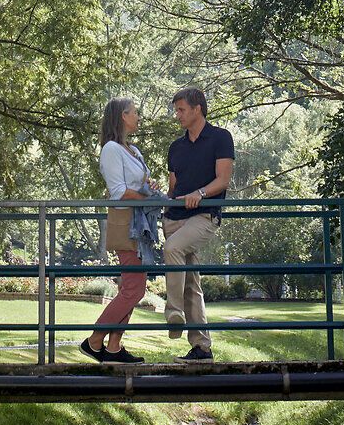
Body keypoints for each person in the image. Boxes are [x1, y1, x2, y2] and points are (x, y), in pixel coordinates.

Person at [81, 96, 159, 365]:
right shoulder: (111, 149)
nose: (138, 116)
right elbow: (117, 192)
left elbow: (138, 186)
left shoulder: (134, 150)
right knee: (134, 290)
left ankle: (113, 346)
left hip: (142, 226)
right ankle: (94, 340)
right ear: (122, 116)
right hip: (126, 225)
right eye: (134, 112)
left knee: (131, 286)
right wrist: (147, 199)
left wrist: (150, 191)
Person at [163, 86, 234, 362]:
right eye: (176, 110)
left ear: (197, 109)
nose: (177, 115)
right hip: (174, 218)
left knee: (172, 249)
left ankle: (173, 313)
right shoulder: (176, 147)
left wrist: (200, 194)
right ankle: (202, 348)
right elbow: (173, 187)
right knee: (191, 283)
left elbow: (223, 180)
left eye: (181, 109)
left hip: (204, 216)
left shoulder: (220, 137)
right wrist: (160, 195)